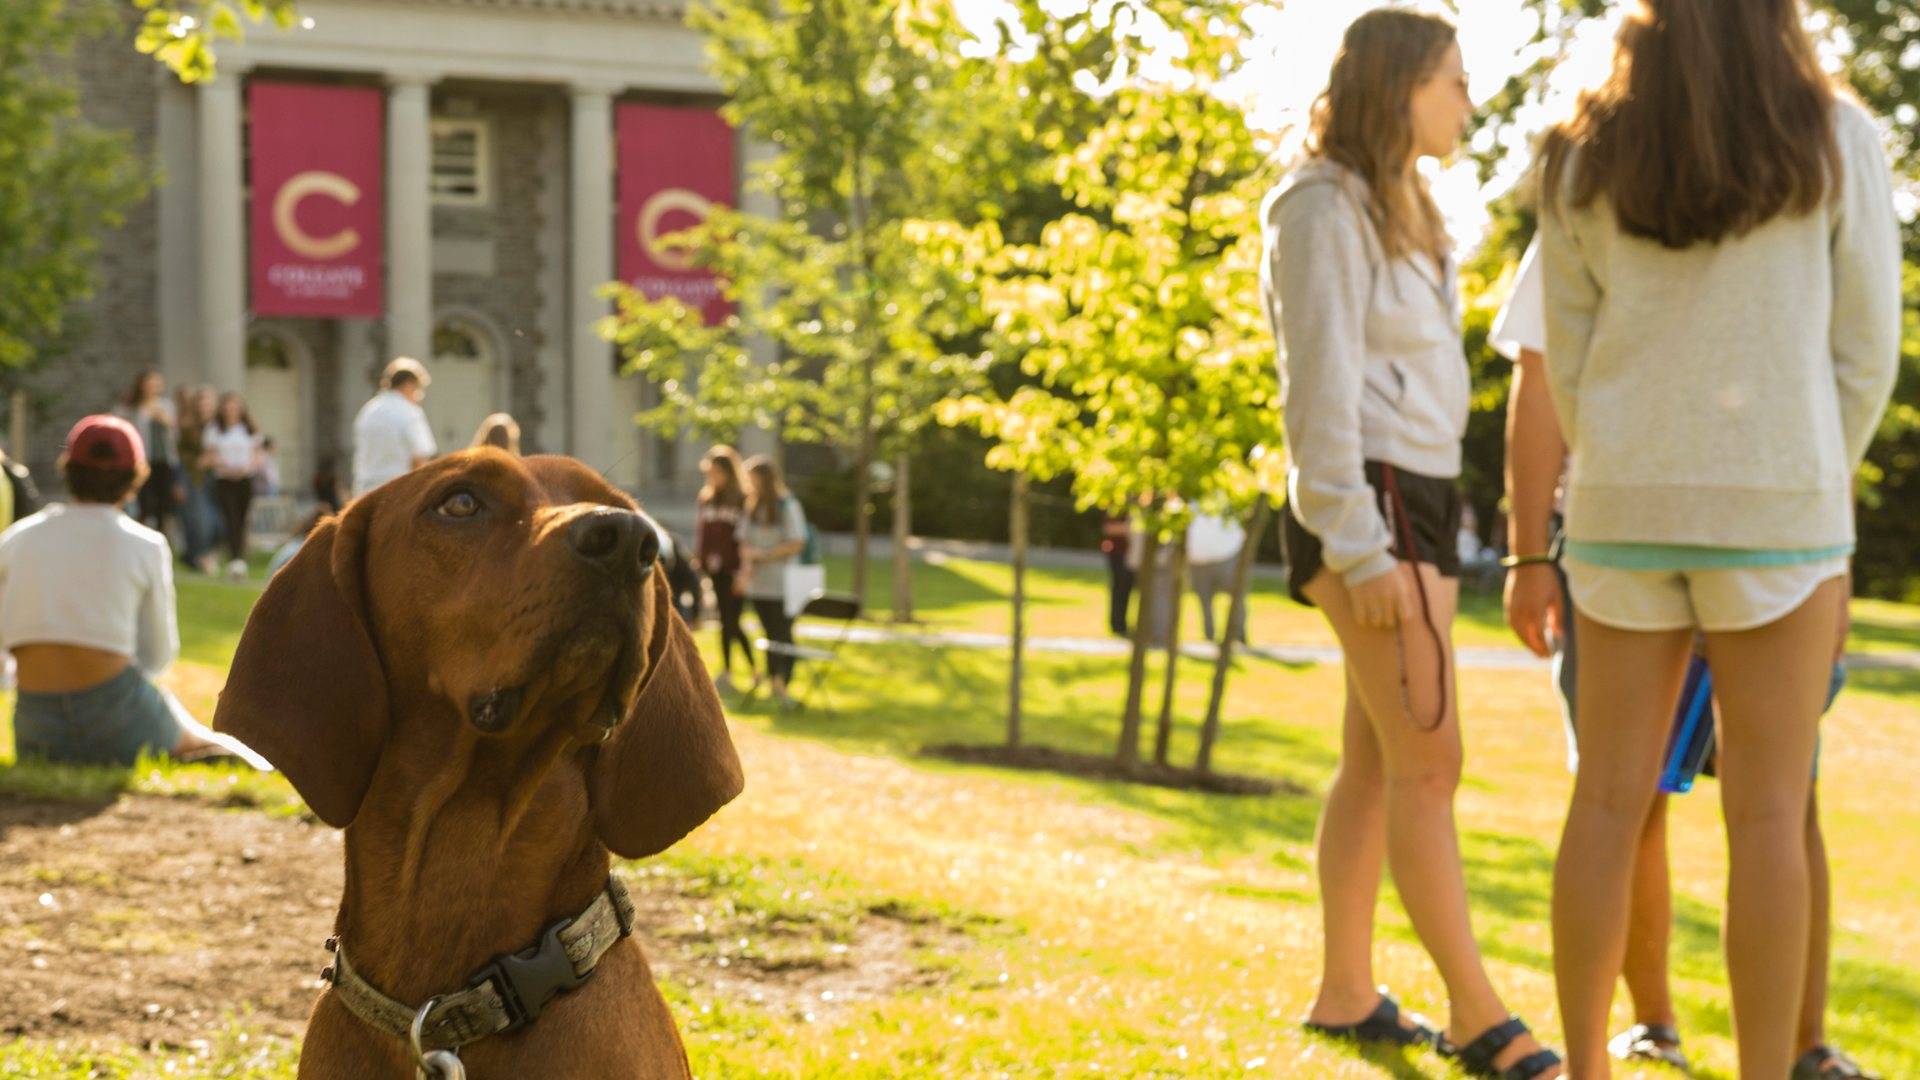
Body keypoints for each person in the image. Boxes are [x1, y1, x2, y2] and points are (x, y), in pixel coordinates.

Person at [1535, 1, 1901, 1074]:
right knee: (1771, 817)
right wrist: (1804, 488)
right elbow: (1866, 350)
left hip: (1622, 510)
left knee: (1604, 800)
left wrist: (1624, 469)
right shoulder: (1838, 135)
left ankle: (1587, 1068)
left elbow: (1571, 352)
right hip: (1780, 518)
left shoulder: (1578, 146)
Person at [1262, 10, 1562, 1078]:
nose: (1467, 104)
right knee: (1432, 760)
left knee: (1377, 759)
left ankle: (1347, 991)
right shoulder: (1319, 206)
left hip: (1417, 497)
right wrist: (1359, 544)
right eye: (1451, 82)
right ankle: (1482, 1016)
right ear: (1397, 86)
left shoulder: (1414, 204)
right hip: (1371, 506)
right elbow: (1320, 388)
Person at [0, 416, 255, 766]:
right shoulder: (145, 545)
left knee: (167, 713)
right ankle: (252, 761)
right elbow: (158, 654)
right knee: (204, 738)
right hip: (116, 711)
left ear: (69, 468)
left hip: (35, 723)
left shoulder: (16, 540)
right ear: (135, 477)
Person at [738, 455, 808, 709]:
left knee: (783, 632)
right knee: (768, 632)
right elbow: (743, 539)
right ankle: (773, 681)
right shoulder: (752, 506)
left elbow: (797, 541)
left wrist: (765, 555)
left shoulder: (787, 505)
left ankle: (782, 682)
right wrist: (748, 560)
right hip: (760, 583)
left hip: (783, 581)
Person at [696, 445, 757, 695]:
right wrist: (701, 560)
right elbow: (703, 533)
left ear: (728, 473)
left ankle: (751, 670)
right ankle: (729, 671)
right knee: (725, 620)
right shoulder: (707, 498)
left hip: (734, 568)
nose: (712, 478)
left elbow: (745, 537)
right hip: (714, 569)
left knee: (733, 621)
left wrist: (743, 570)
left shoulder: (743, 499)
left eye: (716, 473)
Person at [202, 392, 264, 582]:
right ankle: (234, 558)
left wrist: (246, 468)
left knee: (242, 517)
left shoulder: (249, 429)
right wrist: (226, 467)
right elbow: (210, 455)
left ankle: (239, 558)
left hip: (245, 479)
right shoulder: (215, 429)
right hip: (224, 479)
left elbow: (258, 454)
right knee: (230, 517)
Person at [351, 357, 435, 497]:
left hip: (363, 490)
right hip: (398, 491)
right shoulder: (410, 412)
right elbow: (419, 459)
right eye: (418, 389)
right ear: (409, 384)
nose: (419, 396)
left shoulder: (369, 410)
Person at [113, 369, 179, 540]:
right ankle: (140, 537)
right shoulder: (133, 407)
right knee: (144, 502)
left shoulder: (165, 406)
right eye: (149, 383)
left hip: (164, 461)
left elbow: (174, 429)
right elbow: (118, 422)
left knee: (164, 504)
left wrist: (162, 418)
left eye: (156, 383)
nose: (153, 387)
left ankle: (162, 538)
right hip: (142, 461)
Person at [175, 386, 222, 574]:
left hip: (220, 477)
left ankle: (200, 555)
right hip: (195, 477)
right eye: (201, 401)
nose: (205, 405)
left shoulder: (221, 425)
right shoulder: (188, 427)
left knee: (219, 521)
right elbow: (181, 456)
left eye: (208, 401)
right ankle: (201, 556)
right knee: (201, 519)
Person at [1186, 511, 1248, 645]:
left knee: (1236, 597)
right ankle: (1209, 636)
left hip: (1227, 553)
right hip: (1198, 559)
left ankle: (1239, 635)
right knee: (1204, 600)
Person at [1100, 511, 1133, 637]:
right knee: (1119, 588)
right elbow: (1108, 528)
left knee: (1127, 589)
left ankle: (1122, 624)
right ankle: (1117, 625)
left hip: (1130, 554)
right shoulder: (1118, 505)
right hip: (1118, 552)